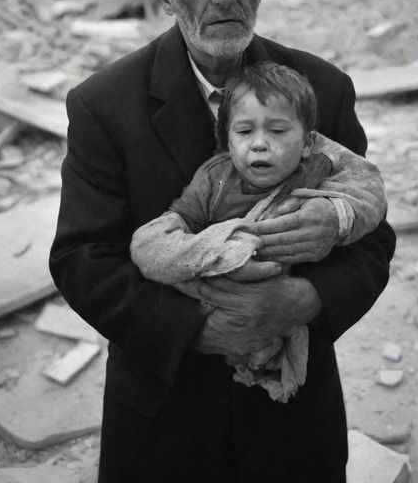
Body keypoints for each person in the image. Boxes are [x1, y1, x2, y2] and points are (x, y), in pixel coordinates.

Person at [49, 0, 396, 482]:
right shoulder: (104, 104)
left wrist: (306, 298)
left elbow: (373, 242)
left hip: (291, 417)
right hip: (164, 417)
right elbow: (83, 258)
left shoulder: (323, 91)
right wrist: (203, 329)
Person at [130, 61, 387, 403]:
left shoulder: (315, 169)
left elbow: (368, 186)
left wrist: (338, 214)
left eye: (278, 131)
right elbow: (158, 237)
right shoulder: (214, 179)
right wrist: (224, 255)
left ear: (308, 142)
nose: (260, 144)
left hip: (288, 325)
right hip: (203, 337)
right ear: (227, 140)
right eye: (245, 131)